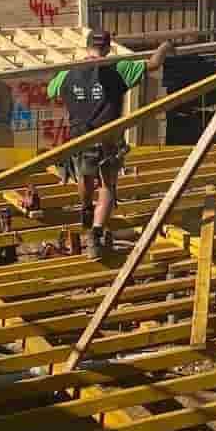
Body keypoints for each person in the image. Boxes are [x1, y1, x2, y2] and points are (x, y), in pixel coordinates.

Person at [47, 30, 170, 260]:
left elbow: (51, 91)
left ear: (86, 47)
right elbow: (153, 64)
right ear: (108, 48)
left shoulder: (68, 72)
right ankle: (95, 235)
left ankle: (85, 207)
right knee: (106, 186)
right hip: (108, 138)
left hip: (79, 137)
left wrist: (79, 96)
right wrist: (165, 46)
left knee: (84, 175)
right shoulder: (118, 68)